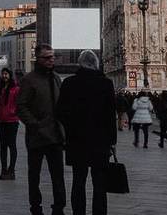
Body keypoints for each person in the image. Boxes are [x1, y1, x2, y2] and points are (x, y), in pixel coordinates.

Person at [56, 50, 116, 215]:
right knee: (99, 184)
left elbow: (60, 112)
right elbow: (111, 116)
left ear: (79, 64)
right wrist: (112, 142)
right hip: (101, 142)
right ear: (96, 64)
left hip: (76, 141)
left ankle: (78, 213)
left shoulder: (69, 83)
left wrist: (70, 129)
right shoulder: (106, 84)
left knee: (78, 181)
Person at [16, 43, 66, 215]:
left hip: (56, 136)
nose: (51, 60)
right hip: (37, 137)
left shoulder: (56, 78)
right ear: (38, 59)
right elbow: (21, 107)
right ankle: (35, 207)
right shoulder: (29, 80)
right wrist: (35, 124)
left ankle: (59, 207)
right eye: (47, 57)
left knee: (58, 176)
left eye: (52, 57)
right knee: (34, 175)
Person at [0, 67, 21, 180]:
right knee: (3, 146)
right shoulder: (0, 88)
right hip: (1, 120)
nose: (4, 76)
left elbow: (19, 103)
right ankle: (3, 170)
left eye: (6, 74)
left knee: (12, 145)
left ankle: (11, 170)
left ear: (10, 75)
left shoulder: (15, 88)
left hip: (12, 121)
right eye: (3, 74)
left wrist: (13, 112)